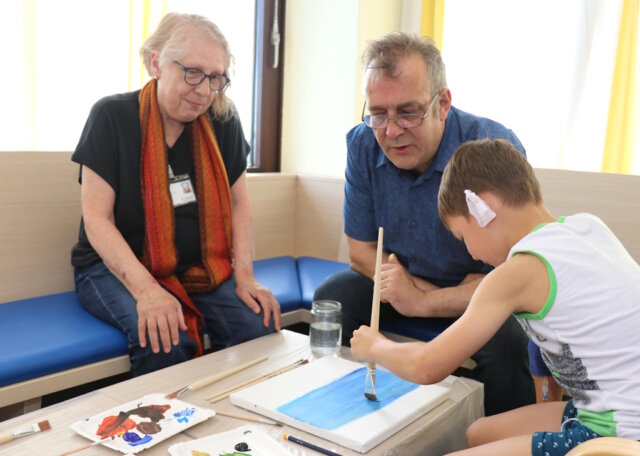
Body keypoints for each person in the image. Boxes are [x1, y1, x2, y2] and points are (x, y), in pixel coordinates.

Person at [351, 138, 640, 455]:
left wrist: (374, 346)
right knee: (479, 433)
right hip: (607, 409)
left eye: (463, 236)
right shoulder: (587, 226)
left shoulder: (518, 272)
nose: (470, 252)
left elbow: (428, 366)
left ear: (483, 210)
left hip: (618, 435)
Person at [313, 31, 534, 415]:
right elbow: (362, 254)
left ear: (443, 103)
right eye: (378, 113)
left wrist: (424, 302)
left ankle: (494, 437)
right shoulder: (363, 144)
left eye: (408, 112)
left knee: (509, 343)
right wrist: (409, 294)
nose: (392, 130)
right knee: (335, 296)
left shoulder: (492, 147)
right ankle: (344, 414)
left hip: (483, 297)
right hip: (400, 284)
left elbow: (514, 277)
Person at [70, 13, 280, 377]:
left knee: (258, 326)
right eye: (193, 72)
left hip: (197, 267)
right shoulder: (111, 116)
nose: (204, 90)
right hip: (112, 268)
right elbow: (97, 220)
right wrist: (146, 291)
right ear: (156, 63)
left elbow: (239, 203)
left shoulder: (223, 120)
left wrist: (245, 275)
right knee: (164, 341)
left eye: (215, 78)